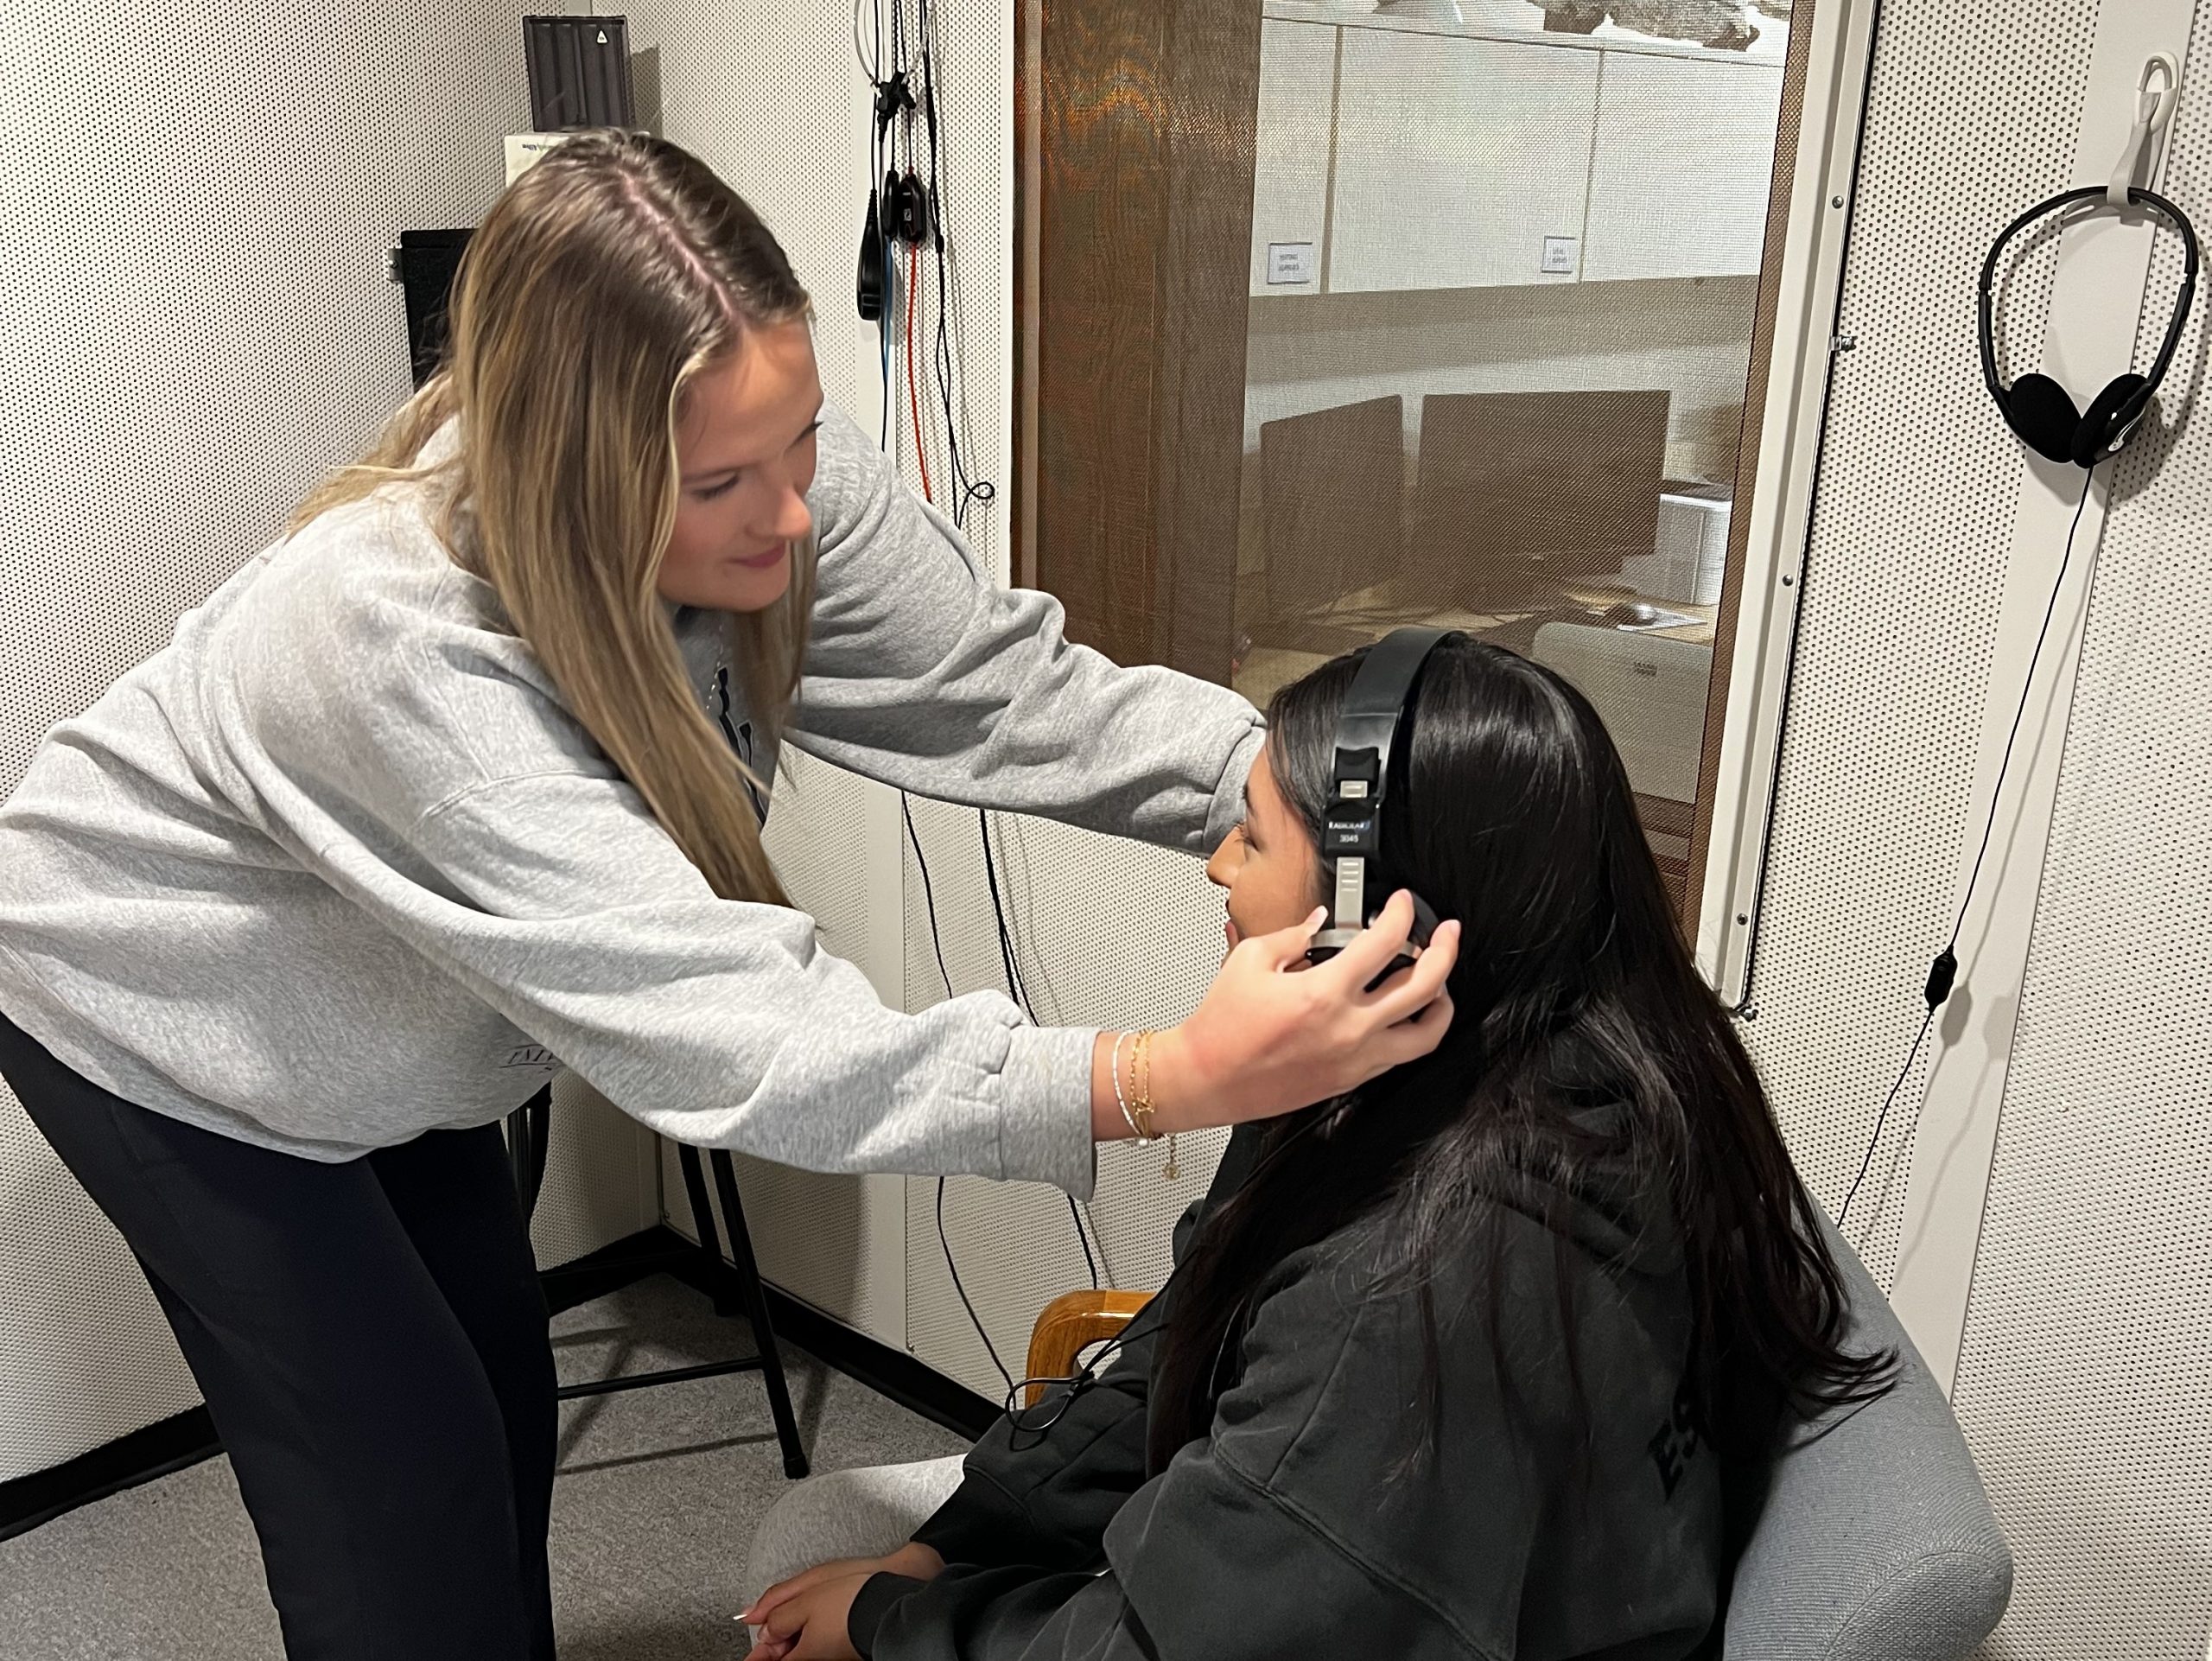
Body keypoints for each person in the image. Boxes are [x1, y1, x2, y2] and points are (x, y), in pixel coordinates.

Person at [0, 132, 1457, 1661]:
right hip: (159, 1011)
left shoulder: (771, 476)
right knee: (403, 1495)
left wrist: (1301, 783)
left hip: (399, 1016)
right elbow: (749, 1036)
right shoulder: (387, 638)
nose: (792, 517)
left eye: (802, 441)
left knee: (496, 1405)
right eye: (718, 486)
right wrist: (1170, 1074)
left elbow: (1013, 692)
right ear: (577, 481)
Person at [742, 635, 1896, 1661]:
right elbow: (1191, 1332)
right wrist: (956, 1545)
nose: (1217, 864)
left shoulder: (1410, 1302)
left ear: (1369, 912)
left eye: (1252, 835)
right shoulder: (1515, 1065)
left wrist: (890, 1622)